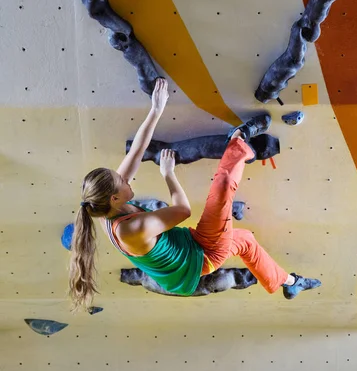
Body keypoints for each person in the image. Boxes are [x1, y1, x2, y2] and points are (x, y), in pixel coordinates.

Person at [69, 78, 321, 312]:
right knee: (222, 188)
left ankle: (290, 282)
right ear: (114, 198)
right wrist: (168, 173)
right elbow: (183, 210)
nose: (126, 177)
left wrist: (155, 110)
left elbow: (136, 152)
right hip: (203, 255)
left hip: (186, 256)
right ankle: (241, 140)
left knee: (245, 240)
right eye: (122, 181)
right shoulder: (130, 229)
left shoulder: (105, 207)